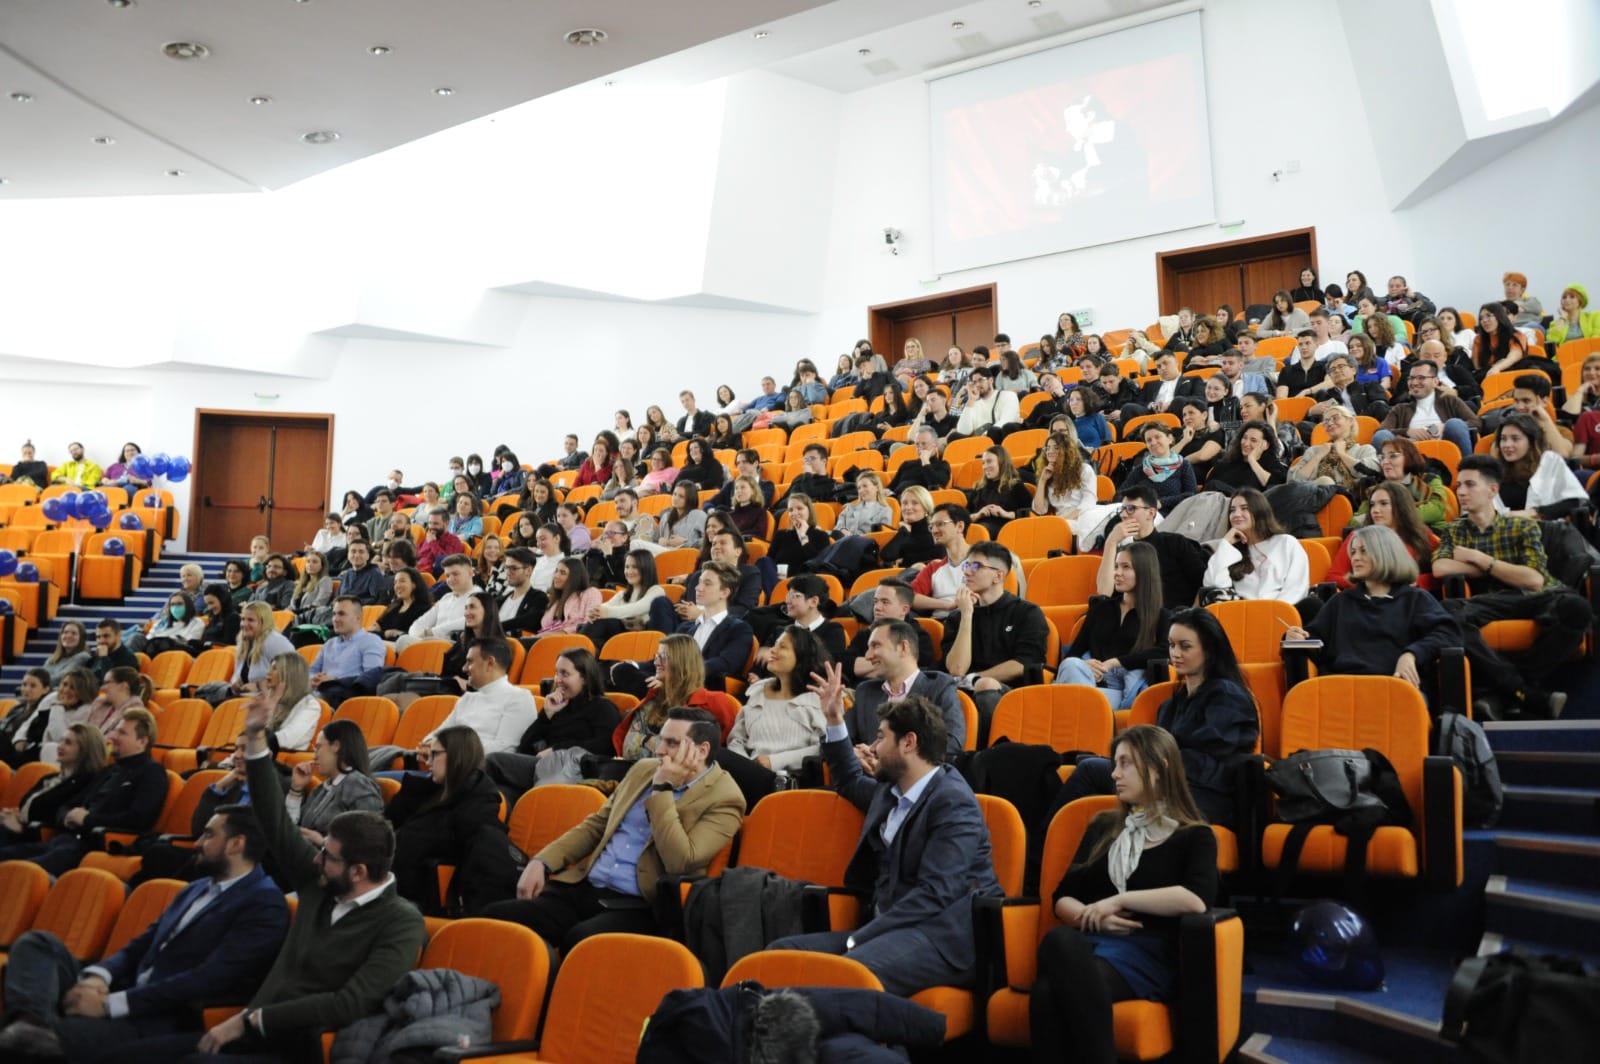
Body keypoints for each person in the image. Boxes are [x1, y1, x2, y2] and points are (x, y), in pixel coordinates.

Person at [767, 672, 1003, 997]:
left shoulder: (953, 802)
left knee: (846, 973)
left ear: (909, 743)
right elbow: (849, 779)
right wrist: (834, 719)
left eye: (881, 738)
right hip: (888, 931)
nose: (872, 747)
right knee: (780, 956)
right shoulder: (890, 791)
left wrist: (861, 937)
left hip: (940, 937)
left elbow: (936, 893)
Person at [0, 804, 290, 1062]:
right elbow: (141, 945)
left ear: (236, 844)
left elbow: (209, 979)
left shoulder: (264, 904)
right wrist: (98, 977)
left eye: (208, 835)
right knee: (38, 943)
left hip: (155, 1017)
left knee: (36, 1036)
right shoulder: (196, 888)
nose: (198, 843)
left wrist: (108, 1006)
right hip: (123, 988)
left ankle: (33, 1030)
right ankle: (32, 1023)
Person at [479, 707, 746, 952]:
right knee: (494, 919)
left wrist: (663, 789)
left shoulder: (725, 798)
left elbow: (680, 861)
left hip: (639, 905)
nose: (659, 750)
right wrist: (542, 862)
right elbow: (596, 825)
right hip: (585, 887)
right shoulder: (643, 769)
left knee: (581, 940)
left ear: (701, 750)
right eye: (661, 740)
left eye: (672, 743)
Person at [1030, 724, 1219, 1064]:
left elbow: (1195, 899)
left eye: (1125, 763)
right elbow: (1062, 897)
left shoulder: (1194, 835)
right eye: (1114, 764)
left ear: (1158, 767)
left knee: (1047, 993)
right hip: (1090, 942)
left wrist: (1118, 901)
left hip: (1147, 953)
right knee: (1060, 941)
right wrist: (1094, 918)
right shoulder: (1103, 826)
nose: (1114, 774)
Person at [1432, 455, 1590, 718]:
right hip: (1493, 600)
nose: (1460, 492)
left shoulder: (1521, 526)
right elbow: (1440, 567)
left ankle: (1506, 690)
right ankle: (1523, 692)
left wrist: (1480, 559)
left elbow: (1534, 580)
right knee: (1447, 613)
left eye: (1470, 484)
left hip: (1536, 596)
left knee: (1577, 608)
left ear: (1492, 490)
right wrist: (1502, 569)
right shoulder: (1454, 531)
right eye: (1459, 485)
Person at [1286, 525, 1460, 691]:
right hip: (1342, 689)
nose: (1355, 558)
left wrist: (1412, 654)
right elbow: (1315, 640)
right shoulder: (1340, 602)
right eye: (1353, 552)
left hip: (1396, 689)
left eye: (1364, 551)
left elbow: (1448, 635)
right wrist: (1296, 637)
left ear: (1386, 553)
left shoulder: (1416, 599)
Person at [0, 709, 167, 875]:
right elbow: (67, 806)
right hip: (63, 840)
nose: (113, 736)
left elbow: (138, 819)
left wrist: (87, 820)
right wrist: (68, 816)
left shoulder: (151, 772)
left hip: (91, 845)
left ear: (142, 741)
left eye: (122, 733)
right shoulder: (109, 771)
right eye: (115, 730)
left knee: (17, 872)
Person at [943, 541, 1050, 744]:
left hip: (1011, 693)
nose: (967, 571)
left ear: (998, 576)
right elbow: (956, 669)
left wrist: (975, 678)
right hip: (963, 690)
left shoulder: (1026, 612)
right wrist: (967, 616)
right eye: (967, 565)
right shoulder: (958, 617)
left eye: (976, 566)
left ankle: (990, 750)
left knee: (985, 685)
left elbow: (1024, 663)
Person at [486, 649, 620, 798]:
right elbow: (524, 747)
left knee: (492, 761)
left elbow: (606, 746)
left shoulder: (603, 707)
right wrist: (546, 714)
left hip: (571, 771)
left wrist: (557, 749)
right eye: (556, 673)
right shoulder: (558, 706)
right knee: (499, 795)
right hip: (543, 769)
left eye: (565, 674)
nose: (558, 680)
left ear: (585, 678)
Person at [1053, 542, 1170, 710]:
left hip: (1121, 691)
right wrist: (1087, 665)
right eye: (1116, 567)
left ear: (1144, 571)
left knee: (1070, 699)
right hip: (1088, 681)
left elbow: (1165, 651)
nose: (1117, 573)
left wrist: (1115, 662)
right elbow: (1074, 652)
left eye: (1125, 567)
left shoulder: (1161, 616)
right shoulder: (1100, 608)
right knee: (1071, 665)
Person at [726, 626, 829, 780]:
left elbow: (823, 749)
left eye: (782, 647)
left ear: (801, 656)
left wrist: (774, 762)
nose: (772, 650)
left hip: (795, 778)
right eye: (774, 645)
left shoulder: (819, 698)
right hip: (750, 775)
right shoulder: (758, 691)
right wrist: (747, 766)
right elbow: (736, 740)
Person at [0, 721, 106, 848]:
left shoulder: (86, 783)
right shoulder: (49, 778)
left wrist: (20, 828)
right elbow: (29, 809)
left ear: (85, 750)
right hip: (14, 833)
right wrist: (14, 816)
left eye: (68, 743)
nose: (60, 746)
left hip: (35, 841)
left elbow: (55, 820)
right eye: (61, 741)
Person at [287, 720, 386, 846]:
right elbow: (292, 828)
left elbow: (370, 838)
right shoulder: (321, 789)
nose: (314, 756)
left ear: (336, 746)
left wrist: (324, 843)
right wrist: (296, 789)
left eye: (318, 747)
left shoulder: (359, 785)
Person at [1331, 480, 1441, 593]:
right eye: (1372, 505)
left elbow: (1443, 574)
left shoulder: (1421, 534)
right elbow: (1334, 577)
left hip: (1410, 598)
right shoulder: (1357, 537)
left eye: (1383, 504)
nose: (1375, 510)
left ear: (1401, 506)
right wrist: (1369, 586)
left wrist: (1417, 581)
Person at [1203, 489, 1310, 603]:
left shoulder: (1286, 543)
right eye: (1232, 510)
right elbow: (1214, 586)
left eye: (1244, 508)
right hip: (1243, 611)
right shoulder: (1231, 552)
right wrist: (1225, 544)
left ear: (1260, 511)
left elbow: (1297, 588)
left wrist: (1274, 611)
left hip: (1282, 609)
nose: (1236, 514)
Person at [1372, 348, 1479, 456]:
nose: (1414, 382)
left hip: (1445, 449)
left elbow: (1476, 422)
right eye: (1411, 378)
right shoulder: (1400, 409)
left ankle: (1467, 465)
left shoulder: (1450, 401)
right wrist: (1407, 431)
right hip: (1410, 454)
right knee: (1381, 435)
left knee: (1455, 424)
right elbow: (1380, 431)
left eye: (1421, 378)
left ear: (1435, 381)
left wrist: (1445, 427)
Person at [1492, 413, 1586, 519]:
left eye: (1515, 438)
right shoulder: (1494, 471)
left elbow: (1574, 501)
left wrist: (1535, 512)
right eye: (1503, 439)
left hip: (1545, 527)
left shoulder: (1550, 462)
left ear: (1532, 441)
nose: (1507, 445)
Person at [396, 554, 480, 652]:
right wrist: (418, 635)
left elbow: (468, 621)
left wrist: (433, 631)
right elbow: (419, 623)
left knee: (403, 641)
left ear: (470, 573)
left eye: (455, 574)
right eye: (447, 576)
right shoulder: (446, 598)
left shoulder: (479, 596)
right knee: (391, 644)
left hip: (455, 647)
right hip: (432, 642)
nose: (450, 579)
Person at [1286, 406, 1376, 491]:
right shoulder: (1314, 451)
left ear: (1351, 421)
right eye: (1326, 421)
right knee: (1325, 481)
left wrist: (1342, 454)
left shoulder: (1365, 449)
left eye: (1335, 418)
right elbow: (1293, 481)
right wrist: (1319, 456)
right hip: (1314, 497)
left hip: (1350, 498)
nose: (1330, 423)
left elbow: (1371, 473)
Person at [908, 503, 974, 616]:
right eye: (931, 526)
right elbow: (910, 596)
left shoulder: (983, 562)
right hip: (938, 622)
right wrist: (947, 605)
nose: (934, 531)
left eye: (940, 524)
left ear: (960, 526)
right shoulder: (934, 567)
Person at [1117, 422, 1197, 513]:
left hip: (1173, 515)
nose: (1153, 442)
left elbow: (1191, 495)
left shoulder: (1184, 466)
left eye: (1157, 437)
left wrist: (1160, 503)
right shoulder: (1140, 469)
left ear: (1170, 439)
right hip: (1141, 515)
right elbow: (1119, 495)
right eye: (1149, 440)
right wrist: (1135, 505)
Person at [1030, 430, 1096, 523]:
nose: (1050, 451)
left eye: (1056, 448)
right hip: (1062, 520)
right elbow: (1039, 510)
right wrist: (1042, 481)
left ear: (1066, 451)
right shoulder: (1047, 474)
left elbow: (1089, 502)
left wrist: (1065, 520)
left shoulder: (1084, 469)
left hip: (1084, 515)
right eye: (1048, 448)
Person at [965, 447, 1031, 539]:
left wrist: (1005, 514)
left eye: (989, 461)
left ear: (1001, 462)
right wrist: (978, 514)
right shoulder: (979, 488)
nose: (985, 466)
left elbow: (1030, 513)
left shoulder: (1015, 486)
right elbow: (965, 516)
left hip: (1005, 532)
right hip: (979, 530)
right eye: (983, 463)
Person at [1209, 420, 1290, 492]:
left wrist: (1252, 460)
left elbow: (1274, 487)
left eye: (1253, 440)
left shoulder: (1272, 465)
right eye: (1244, 438)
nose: (1246, 443)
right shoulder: (1228, 461)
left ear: (1266, 445)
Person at [82, 664, 154, 734]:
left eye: (107, 683)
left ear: (123, 686)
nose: (102, 688)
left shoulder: (135, 715)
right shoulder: (100, 704)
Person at [954, 368, 1022, 440]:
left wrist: (985, 435)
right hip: (980, 442)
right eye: (974, 382)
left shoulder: (1008, 395)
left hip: (999, 439)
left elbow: (1007, 420)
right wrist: (970, 400)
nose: (977, 384)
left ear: (991, 380)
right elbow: (963, 431)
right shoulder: (973, 404)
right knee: (954, 436)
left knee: (994, 431)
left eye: (980, 380)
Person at [369, 566, 431, 642]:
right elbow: (372, 632)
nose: (397, 586)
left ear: (414, 584)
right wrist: (388, 633)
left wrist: (385, 633)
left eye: (402, 581)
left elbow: (413, 636)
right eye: (395, 582)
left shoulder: (424, 610)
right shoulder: (393, 607)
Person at [889, 425, 951, 493]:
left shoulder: (942, 465)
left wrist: (925, 462)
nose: (920, 447)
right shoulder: (906, 464)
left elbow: (936, 485)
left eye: (924, 444)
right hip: (898, 496)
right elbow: (891, 488)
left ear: (935, 445)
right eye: (917, 444)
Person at [89, 617, 139, 682]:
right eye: (98, 637)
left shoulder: (128, 658)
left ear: (118, 635)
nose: (101, 641)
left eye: (106, 636)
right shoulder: (98, 655)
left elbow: (110, 684)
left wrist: (104, 658)